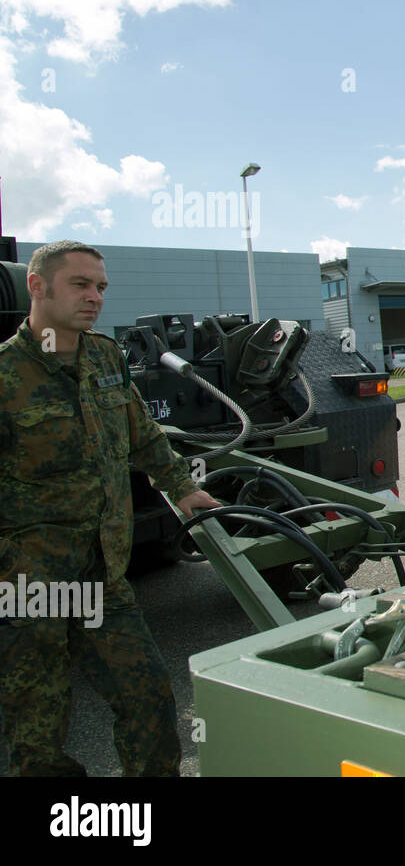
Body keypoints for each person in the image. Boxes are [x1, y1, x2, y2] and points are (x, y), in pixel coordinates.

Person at [0, 241, 221, 776]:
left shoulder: (104, 355)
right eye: (80, 284)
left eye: (100, 287)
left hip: (104, 575)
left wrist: (180, 484)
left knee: (147, 694)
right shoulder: (6, 375)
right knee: (38, 723)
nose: (94, 296)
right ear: (37, 286)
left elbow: (140, 432)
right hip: (31, 584)